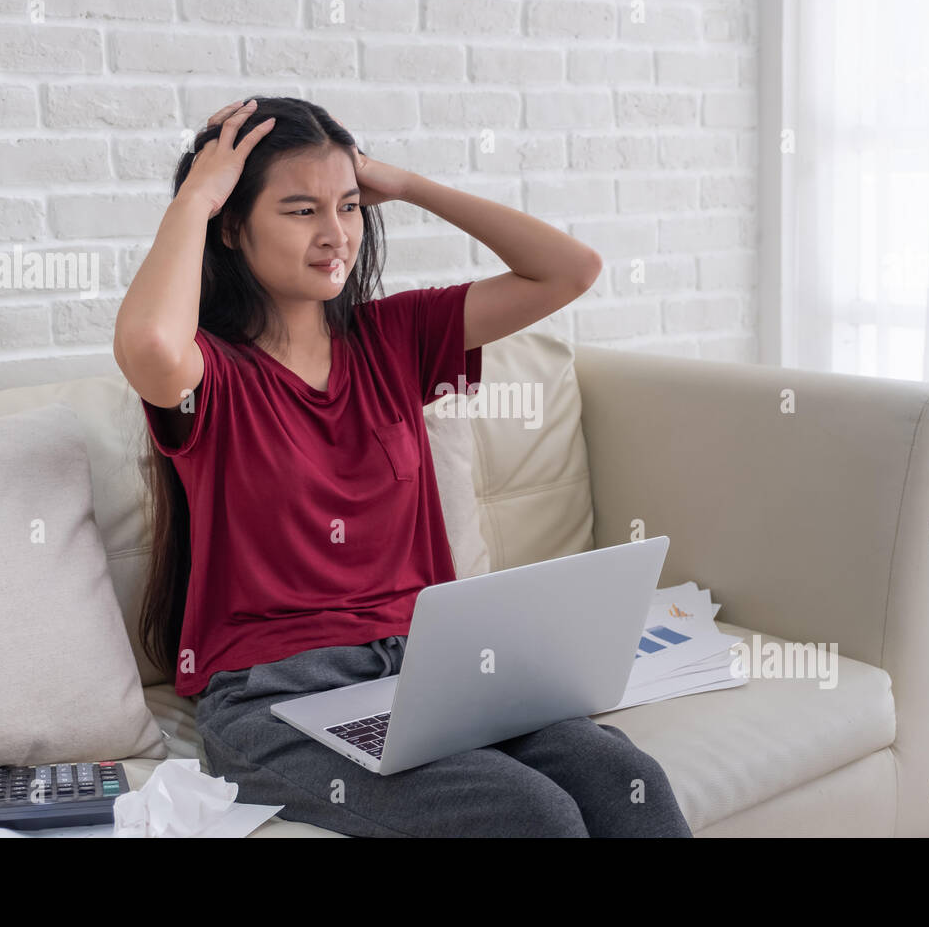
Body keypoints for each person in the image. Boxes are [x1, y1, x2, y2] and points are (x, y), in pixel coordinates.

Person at [113, 96, 692, 838]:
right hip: (276, 697)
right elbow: (152, 349)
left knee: (626, 778)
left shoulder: (392, 337)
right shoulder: (212, 376)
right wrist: (196, 195)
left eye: (349, 207)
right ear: (232, 226)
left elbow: (569, 271)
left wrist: (409, 184)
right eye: (300, 212)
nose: (335, 235)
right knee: (528, 813)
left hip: (433, 670)